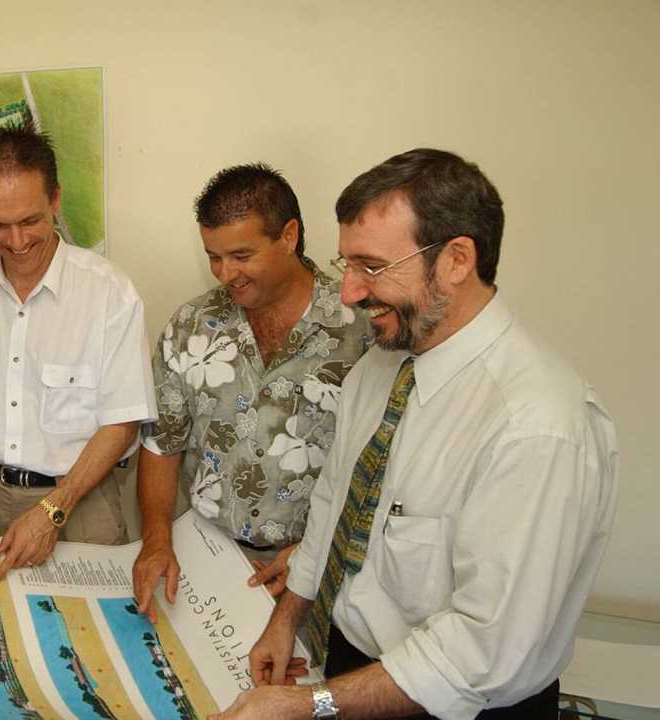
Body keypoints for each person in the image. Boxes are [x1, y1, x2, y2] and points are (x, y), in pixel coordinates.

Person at [221, 149, 619, 720]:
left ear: (457, 259)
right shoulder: (381, 368)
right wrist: (288, 619)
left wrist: (310, 706)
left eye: (371, 267)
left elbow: (480, 652)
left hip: (461, 702)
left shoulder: (537, 426)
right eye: (346, 265)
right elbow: (336, 505)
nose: (351, 292)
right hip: (355, 670)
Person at [132, 164, 371, 620]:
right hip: (207, 559)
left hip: (319, 572)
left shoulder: (359, 332)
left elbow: (379, 471)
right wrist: (157, 540)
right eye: (214, 257)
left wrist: (310, 553)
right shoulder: (192, 327)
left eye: (241, 255)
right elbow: (162, 442)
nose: (226, 274)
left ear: (289, 236)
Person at [0, 121, 156, 579]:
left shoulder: (108, 292)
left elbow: (122, 422)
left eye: (30, 221)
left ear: (54, 199)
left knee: (86, 644)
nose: (16, 242)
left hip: (82, 504)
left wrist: (53, 511)